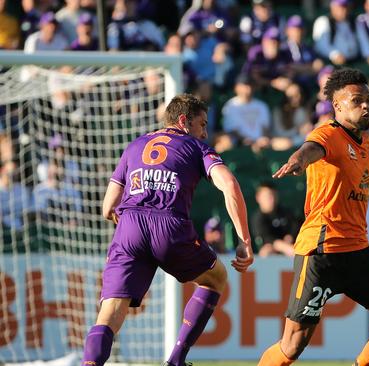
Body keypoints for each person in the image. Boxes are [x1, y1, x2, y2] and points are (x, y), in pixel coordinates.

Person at [259, 68, 369, 365]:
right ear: (338, 106)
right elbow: (309, 149)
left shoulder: (365, 142)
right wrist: (297, 160)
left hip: (358, 252)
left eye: (368, 100)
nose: (366, 106)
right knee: (293, 346)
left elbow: (351, 181)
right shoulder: (328, 134)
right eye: (357, 100)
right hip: (322, 252)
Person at [80, 94, 254, 366]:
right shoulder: (196, 147)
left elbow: (107, 208)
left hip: (129, 227)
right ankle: (176, 361)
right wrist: (244, 239)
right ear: (184, 121)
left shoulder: (135, 145)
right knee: (215, 278)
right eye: (202, 124)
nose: (205, 132)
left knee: (110, 312)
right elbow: (229, 184)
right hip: (170, 225)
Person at [220, 74, 271, 149]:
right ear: (237, 87)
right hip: (239, 143)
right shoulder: (231, 106)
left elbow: (265, 128)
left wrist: (262, 140)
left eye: (250, 85)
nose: (248, 88)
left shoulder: (261, 106)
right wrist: (246, 140)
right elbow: (232, 130)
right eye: (245, 85)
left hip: (261, 143)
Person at [252, 182, 296, 257]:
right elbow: (267, 238)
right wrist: (284, 247)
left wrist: (290, 237)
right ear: (258, 198)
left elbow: (295, 227)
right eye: (268, 196)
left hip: (291, 246)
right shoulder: (258, 218)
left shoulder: (286, 213)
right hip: (273, 250)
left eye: (274, 195)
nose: (272, 200)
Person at [312, 0, 360, 65]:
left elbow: (363, 40)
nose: (344, 11)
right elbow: (321, 45)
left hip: (354, 61)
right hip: (330, 64)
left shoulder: (353, 21)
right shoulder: (323, 21)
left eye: (345, 7)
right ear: (333, 8)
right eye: (340, 7)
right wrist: (335, 55)